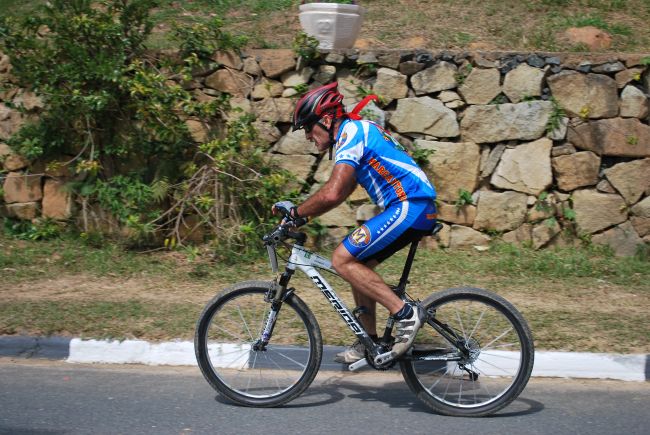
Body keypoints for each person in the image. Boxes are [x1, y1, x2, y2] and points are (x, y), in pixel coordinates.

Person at [273, 82, 437, 364]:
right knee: (357, 265)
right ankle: (370, 342)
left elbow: (333, 192)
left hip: (411, 204)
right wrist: (303, 217)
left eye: (308, 128)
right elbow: (342, 191)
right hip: (411, 206)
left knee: (341, 259)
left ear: (325, 120)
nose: (308, 137)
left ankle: (406, 314)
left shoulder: (351, 132)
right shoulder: (354, 133)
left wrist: (297, 213)